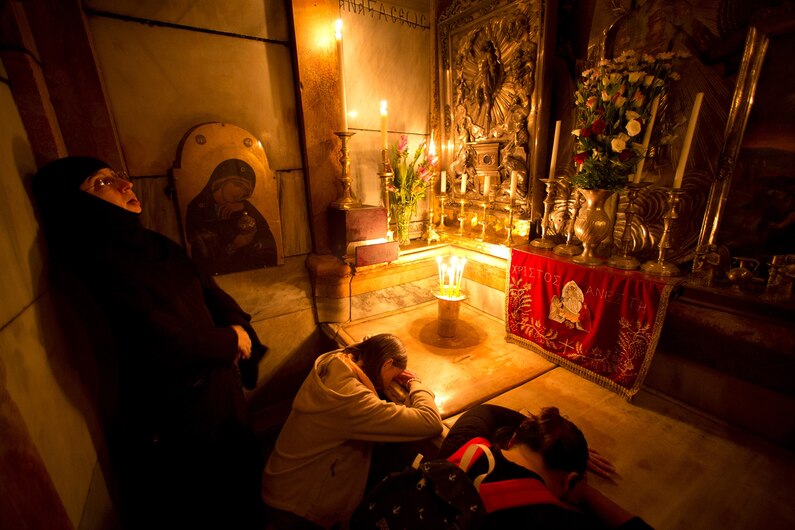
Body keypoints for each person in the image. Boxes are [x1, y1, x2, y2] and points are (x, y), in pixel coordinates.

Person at [31, 156, 268, 529]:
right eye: (102, 183)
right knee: (211, 504)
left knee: (244, 483)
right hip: (181, 414)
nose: (126, 186)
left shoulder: (153, 242)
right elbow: (155, 338)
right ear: (76, 204)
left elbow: (207, 286)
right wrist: (228, 341)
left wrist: (237, 326)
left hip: (221, 389)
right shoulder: (92, 265)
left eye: (118, 177)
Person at [262, 333, 444, 530]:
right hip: (297, 507)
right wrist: (415, 383)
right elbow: (430, 421)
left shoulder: (336, 361)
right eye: (393, 375)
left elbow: (364, 343)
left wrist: (378, 348)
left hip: (282, 483)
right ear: (387, 363)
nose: (390, 383)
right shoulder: (352, 401)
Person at [437, 404, 652, 530]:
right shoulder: (553, 518)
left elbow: (486, 411)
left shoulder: (463, 445)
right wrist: (584, 492)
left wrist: (545, 432)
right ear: (569, 480)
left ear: (511, 441)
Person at [186, 158, 278, 275]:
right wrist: (234, 245)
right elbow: (204, 257)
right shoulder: (198, 209)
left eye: (244, 189)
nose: (240, 193)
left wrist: (243, 208)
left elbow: (265, 236)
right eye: (237, 184)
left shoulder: (243, 206)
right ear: (220, 182)